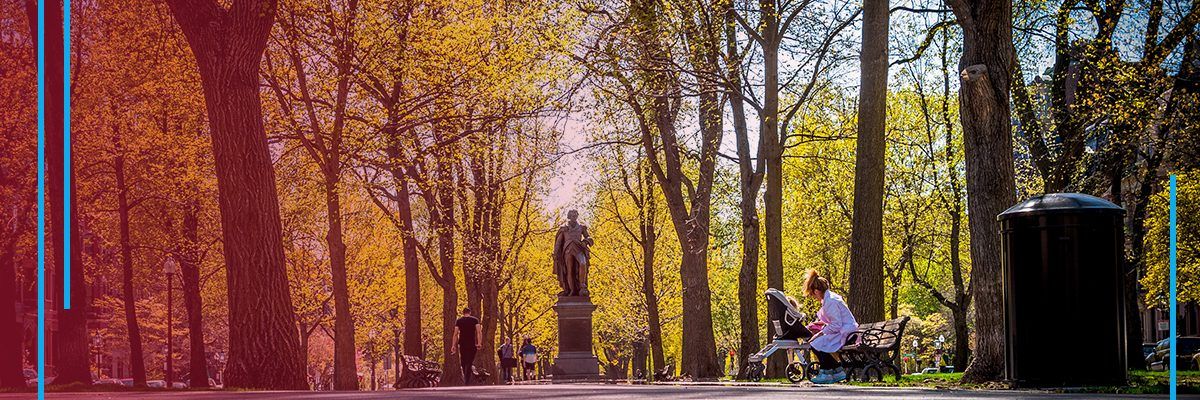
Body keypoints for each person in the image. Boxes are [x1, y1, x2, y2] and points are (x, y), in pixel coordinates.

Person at [802, 269, 858, 384]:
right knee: (817, 343)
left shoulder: (831, 301)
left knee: (816, 343)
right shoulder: (830, 299)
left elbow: (836, 324)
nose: (814, 297)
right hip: (844, 330)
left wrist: (820, 333)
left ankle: (826, 372)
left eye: (812, 294)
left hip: (846, 333)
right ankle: (836, 370)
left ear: (817, 291)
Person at [450, 307, 482, 385]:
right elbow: (479, 332)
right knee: (470, 361)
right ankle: (467, 379)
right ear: (470, 312)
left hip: (462, 343)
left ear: (463, 313)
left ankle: (466, 377)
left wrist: (453, 345)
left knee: (463, 361)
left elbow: (455, 333)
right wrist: (479, 343)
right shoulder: (475, 320)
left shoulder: (459, 321)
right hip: (472, 343)